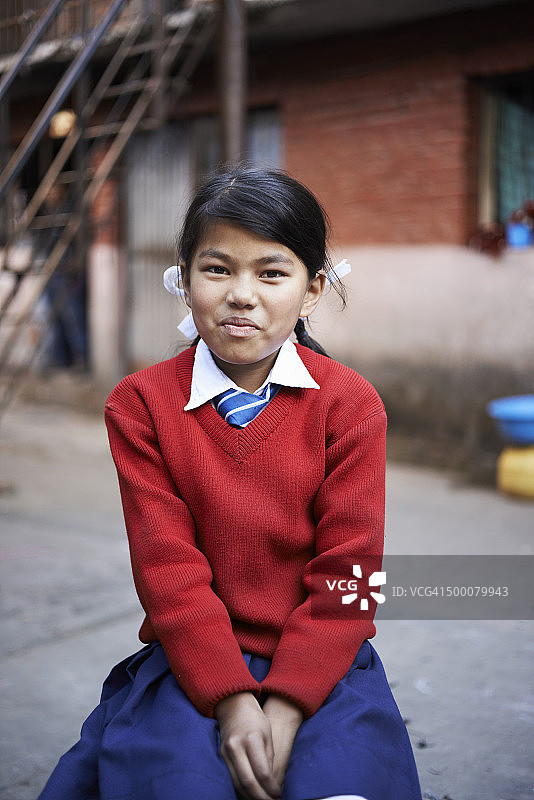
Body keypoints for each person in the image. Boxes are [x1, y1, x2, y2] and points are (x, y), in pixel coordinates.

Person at [38, 166, 421, 800]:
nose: (242, 294)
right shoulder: (140, 405)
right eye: (218, 269)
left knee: (343, 785)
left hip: (325, 662)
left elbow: (350, 579)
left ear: (312, 290)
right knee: (177, 784)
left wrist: (290, 706)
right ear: (184, 280)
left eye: (272, 273)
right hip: (194, 660)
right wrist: (231, 701)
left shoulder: (350, 406)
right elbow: (169, 575)